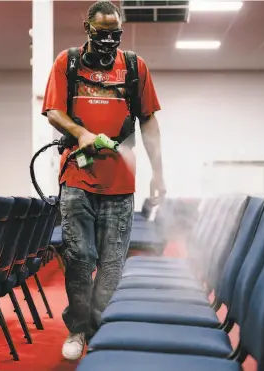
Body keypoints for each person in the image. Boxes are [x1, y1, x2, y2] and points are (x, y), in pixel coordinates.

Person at [42, 0, 166, 361]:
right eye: (101, 34)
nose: (108, 41)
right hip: (77, 179)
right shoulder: (67, 63)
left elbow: (150, 122)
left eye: (115, 35)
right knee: (80, 258)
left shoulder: (134, 67)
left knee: (112, 265)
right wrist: (79, 132)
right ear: (87, 28)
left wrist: (159, 172)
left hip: (121, 184)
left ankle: (97, 329)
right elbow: (53, 111)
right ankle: (77, 328)